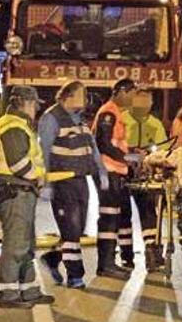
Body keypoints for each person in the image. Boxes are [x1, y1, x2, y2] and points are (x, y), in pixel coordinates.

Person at [0, 86, 54, 308]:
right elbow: (18, 163)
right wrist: (37, 178)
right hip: (14, 190)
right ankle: (8, 295)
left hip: (19, 190)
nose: (36, 109)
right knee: (16, 244)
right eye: (35, 104)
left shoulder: (17, 124)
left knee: (26, 243)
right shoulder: (13, 127)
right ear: (25, 103)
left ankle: (29, 291)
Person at [38, 81, 109, 289]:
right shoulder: (51, 118)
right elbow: (44, 151)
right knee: (70, 229)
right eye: (81, 95)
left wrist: (101, 172)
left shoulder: (80, 119)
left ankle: (53, 258)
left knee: (77, 229)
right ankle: (75, 276)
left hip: (80, 180)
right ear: (67, 96)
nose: (85, 99)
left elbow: (92, 148)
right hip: (61, 182)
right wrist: (46, 182)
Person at [92, 78, 136, 279]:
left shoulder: (115, 113)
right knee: (109, 218)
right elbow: (104, 143)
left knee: (114, 216)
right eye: (132, 93)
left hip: (114, 172)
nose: (133, 98)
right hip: (107, 171)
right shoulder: (109, 112)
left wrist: (132, 155)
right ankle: (106, 264)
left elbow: (116, 144)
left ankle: (109, 262)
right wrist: (127, 158)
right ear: (121, 91)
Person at [124, 87, 168, 271]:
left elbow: (163, 149)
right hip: (124, 171)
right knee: (123, 214)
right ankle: (127, 255)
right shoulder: (122, 119)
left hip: (146, 173)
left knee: (149, 211)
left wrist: (150, 154)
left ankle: (153, 251)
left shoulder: (155, 124)